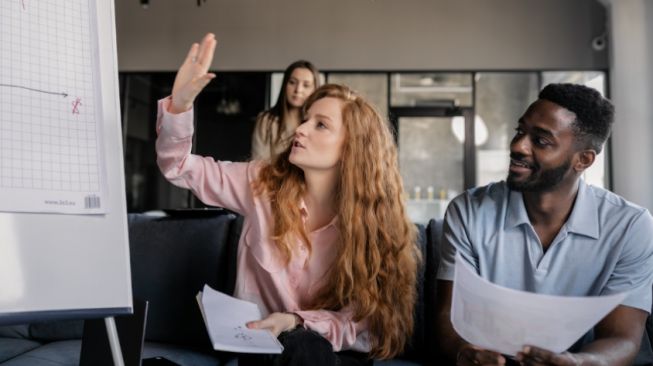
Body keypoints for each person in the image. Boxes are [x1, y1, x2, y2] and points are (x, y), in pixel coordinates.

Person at [156, 33, 420, 365]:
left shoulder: (375, 222)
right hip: (261, 346)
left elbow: (366, 323)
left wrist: (297, 322)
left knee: (305, 348)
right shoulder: (261, 183)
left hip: (330, 352)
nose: (301, 129)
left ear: (351, 149)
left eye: (320, 125)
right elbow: (178, 166)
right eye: (306, 118)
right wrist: (178, 107)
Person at [435, 83, 653, 366]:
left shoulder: (630, 227)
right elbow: (447, 317)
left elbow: (622, 338)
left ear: (583, 160)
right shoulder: (469, 211)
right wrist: (465, 353)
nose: (517, 146)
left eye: (540, 141)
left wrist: (578, 363)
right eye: (520, 131)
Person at [251, 59, 320, 161]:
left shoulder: (317, 125)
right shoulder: (266, 121)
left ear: (314, 90)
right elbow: (258, 165)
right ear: (285, 85)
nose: (298, 90)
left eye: (306, 85)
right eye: (292, 82)